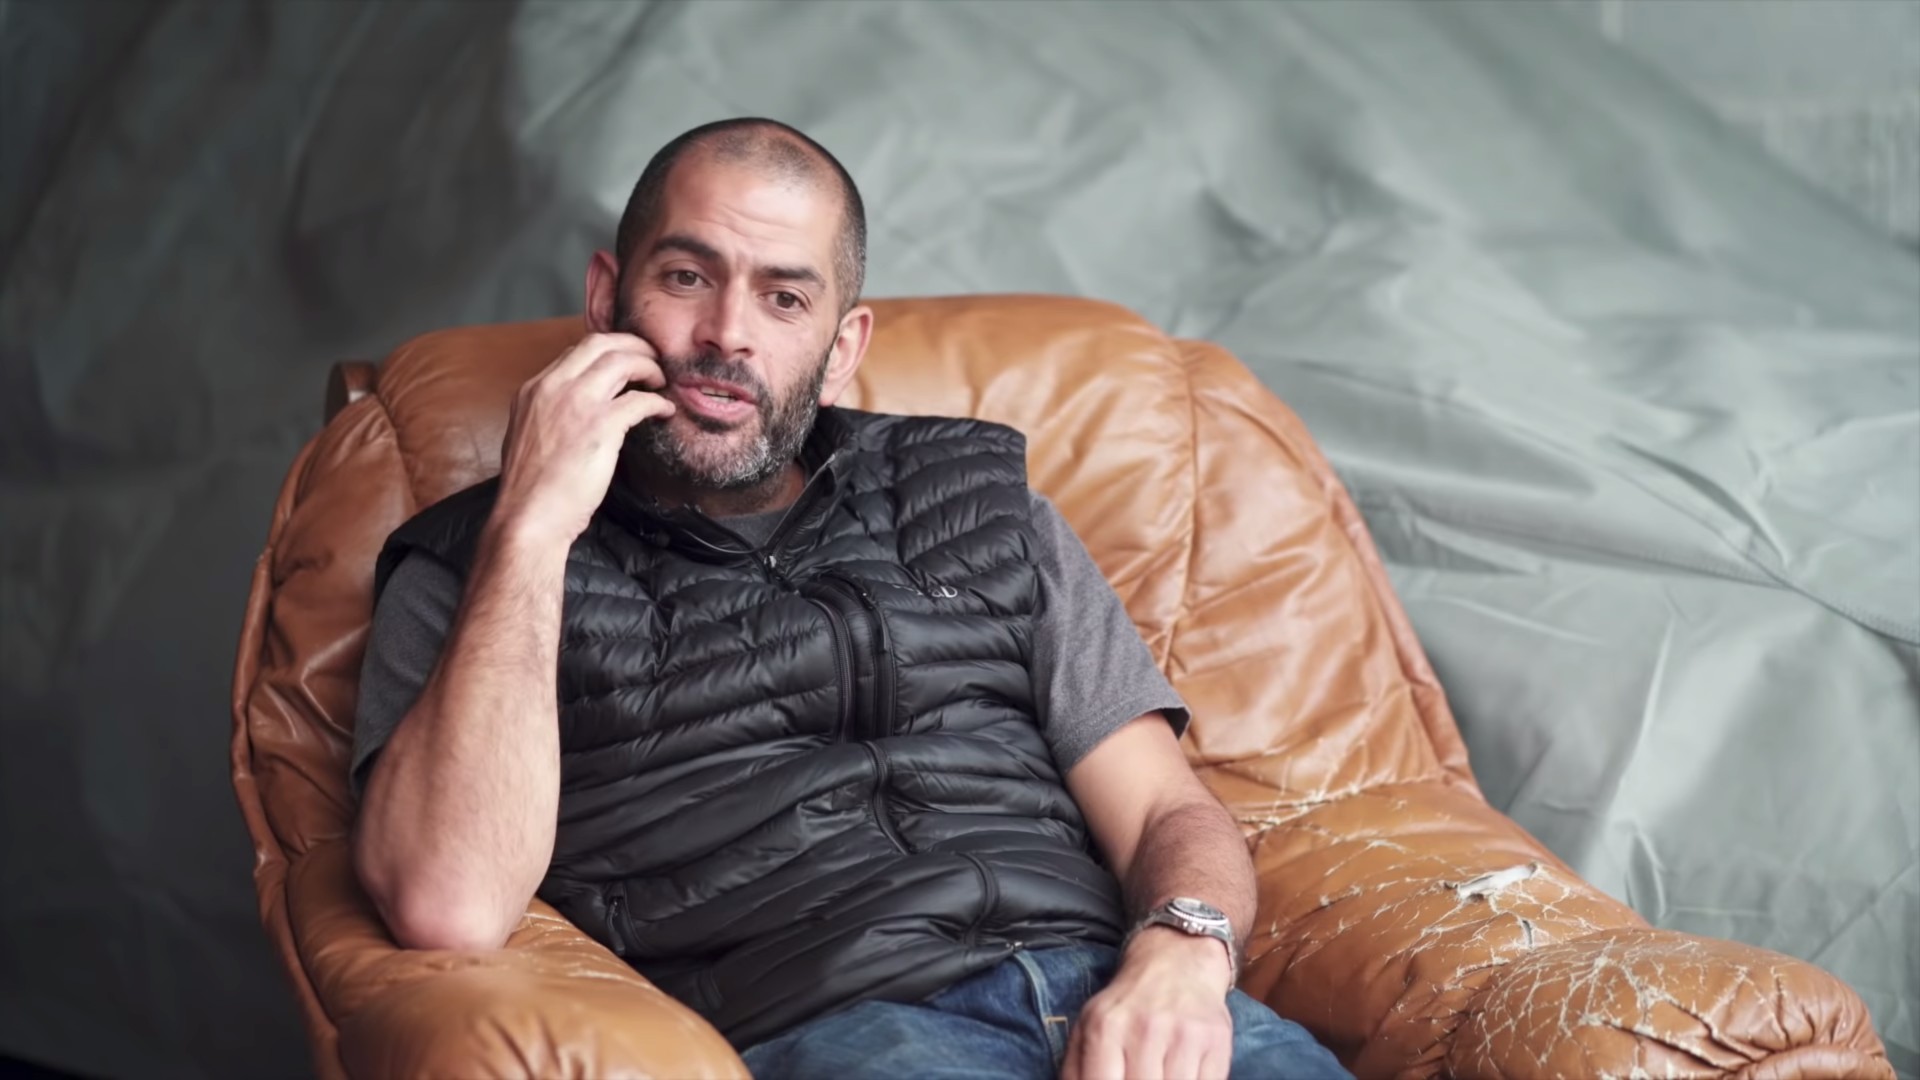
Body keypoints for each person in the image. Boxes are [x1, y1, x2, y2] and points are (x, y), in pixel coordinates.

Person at [349, 117, 1349, 1080]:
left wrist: (1182, 958)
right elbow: (448, 904)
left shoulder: (980, 505)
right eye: (687, 276)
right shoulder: (469, 568)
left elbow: (1164, 807)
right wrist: (530, 530)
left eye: (785, 299)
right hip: (851, 1032)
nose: (727, 333)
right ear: (608, 297)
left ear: (841, 350)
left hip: (1123, 1007)